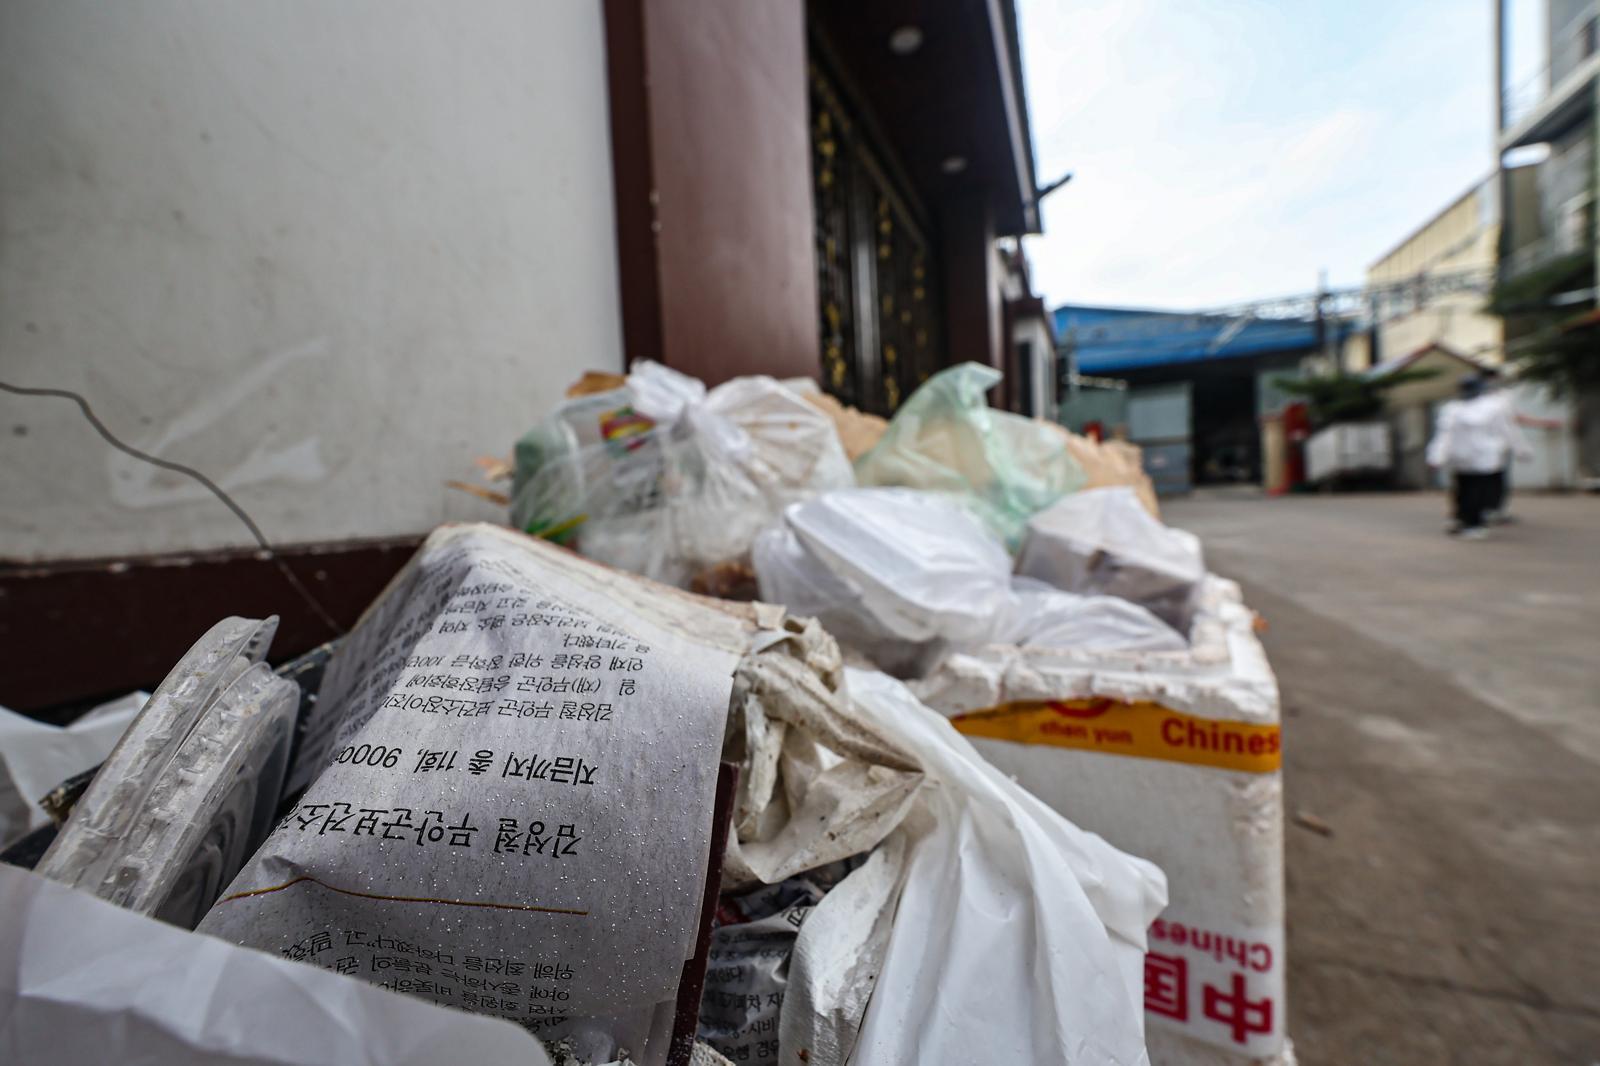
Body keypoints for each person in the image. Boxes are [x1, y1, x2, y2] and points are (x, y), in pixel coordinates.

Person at [1426, 375, 1532, 539]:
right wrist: (1436, 457)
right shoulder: (1456, 409)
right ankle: (1465, 520)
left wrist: (1520, 449)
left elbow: (1507, 430)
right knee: (1466, 491)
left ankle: (1470, 522)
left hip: (1475, 458)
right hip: (1471, 458)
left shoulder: (1484, 408)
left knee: (1472, 491)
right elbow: (1444, 435)